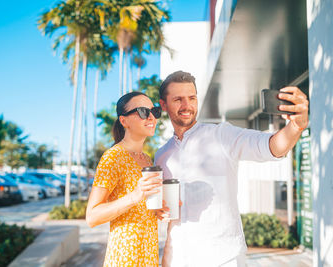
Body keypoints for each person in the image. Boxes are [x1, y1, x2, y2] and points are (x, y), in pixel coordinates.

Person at [154, 71, 309, 267]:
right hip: (179, 258)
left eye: (192, 98)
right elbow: (167, 212)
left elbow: (270, 146)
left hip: (223, 258)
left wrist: (296, 126)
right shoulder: (161, 155)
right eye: (178, 99)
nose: (187, 106)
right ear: (163, 105)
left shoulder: (221, 135)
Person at [86, 91, 163, 266]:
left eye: (155, 111)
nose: (151, 117)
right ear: (124, 121)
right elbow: (92, 216)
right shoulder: (113, 157)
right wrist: (135, 196)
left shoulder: (146, 159)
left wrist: (157, 210)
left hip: (148, 258)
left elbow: (139, 209)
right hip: (124, 259)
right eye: (143, 111)